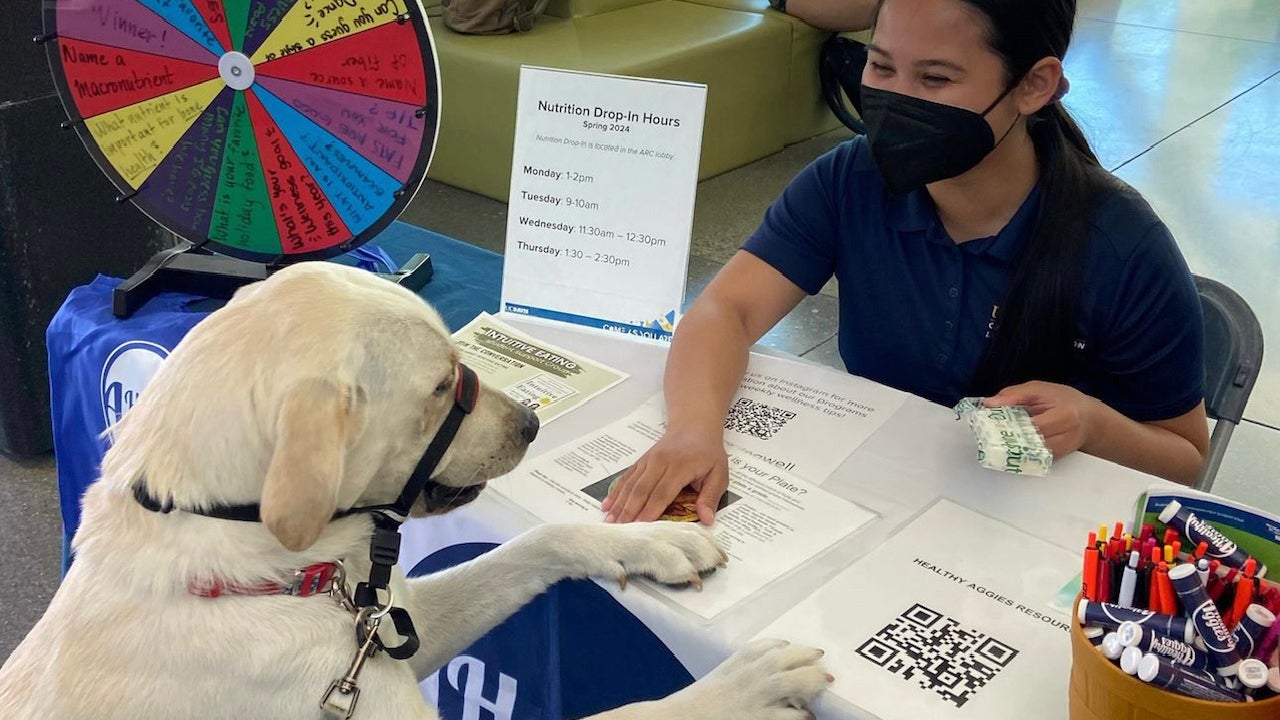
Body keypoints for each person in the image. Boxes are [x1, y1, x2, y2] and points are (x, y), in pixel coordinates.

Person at [603, 0, 1209, 525]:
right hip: (872, 495)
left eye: (937, 79)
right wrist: (692, 429)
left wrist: (1094, 425)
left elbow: (1184, 457)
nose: (895, 100)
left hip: (1034, 534)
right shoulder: (849, 182)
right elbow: (726, 310)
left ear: (1034, 85)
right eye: (880, 64)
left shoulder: (1121, 246)